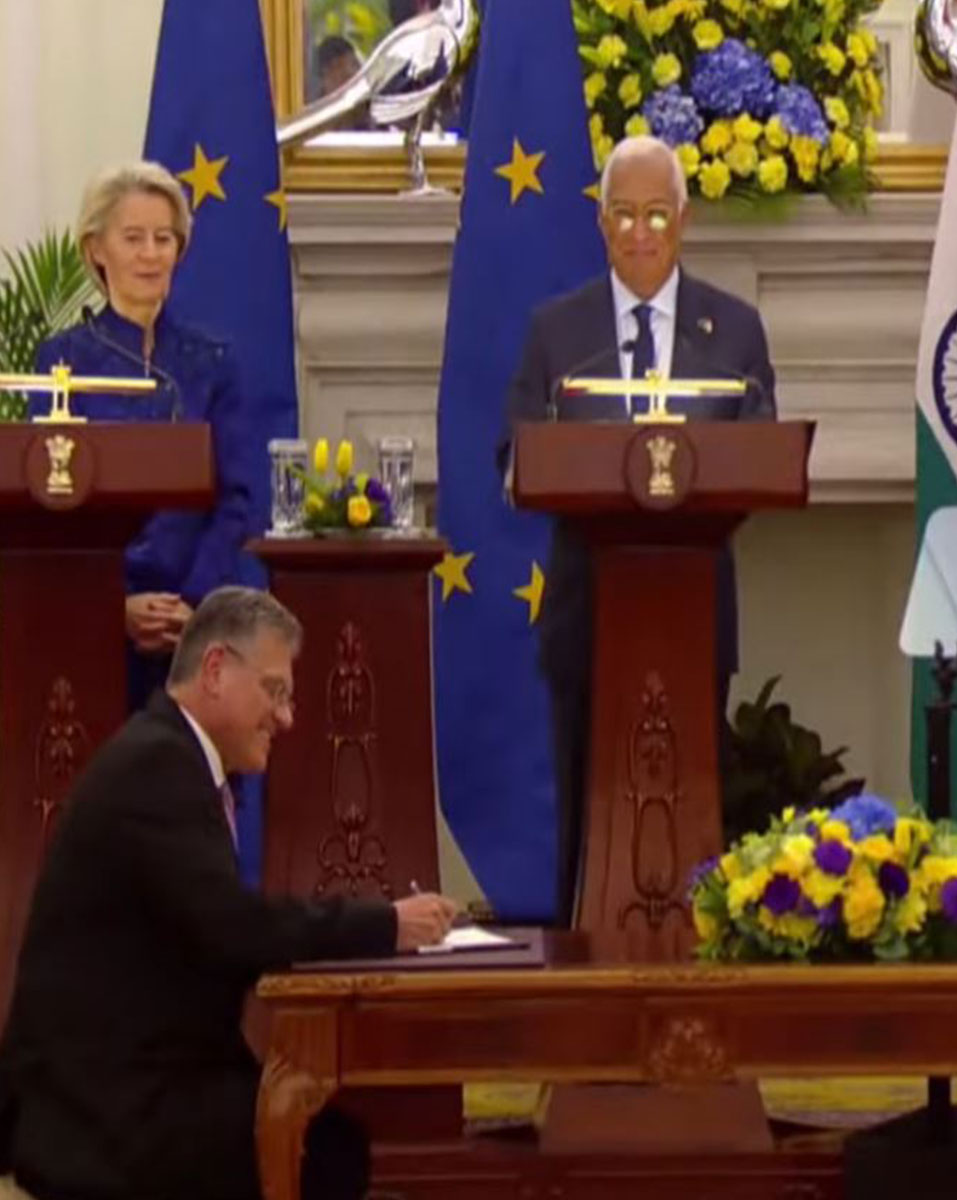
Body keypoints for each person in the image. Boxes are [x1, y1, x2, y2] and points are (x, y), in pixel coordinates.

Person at [0, 587, 458, 1200]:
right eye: (275, 691)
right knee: (324, 1149)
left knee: (326, 1137)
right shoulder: (157, 765)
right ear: (215, 671)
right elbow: (233, 927)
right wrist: (388, 925)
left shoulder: (167, 751)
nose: (288, 717)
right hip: (100, 1115)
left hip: (130, 1084)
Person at [503, 134, 778, 923]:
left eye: (656, 213)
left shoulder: (734, 330)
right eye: (622, 214)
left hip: (691, 611)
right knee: (587, 813)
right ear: (600, 221)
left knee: (690, 798)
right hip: (587, 613)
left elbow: (760, 450)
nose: (639, 231)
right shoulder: (559, 330)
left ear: (683, 220)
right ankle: (579, 978)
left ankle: (698, 961)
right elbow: (512, 455)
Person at [33, 163, 258, 710]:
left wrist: (193, 604)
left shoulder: (213, 361)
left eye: (164, 239)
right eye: (133, 239)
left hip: (198, 623)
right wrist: (118, 604)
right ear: (96, 251)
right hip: (97, 621)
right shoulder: (62, 360)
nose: (151, 254)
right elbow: (52, 506)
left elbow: (239, 496)